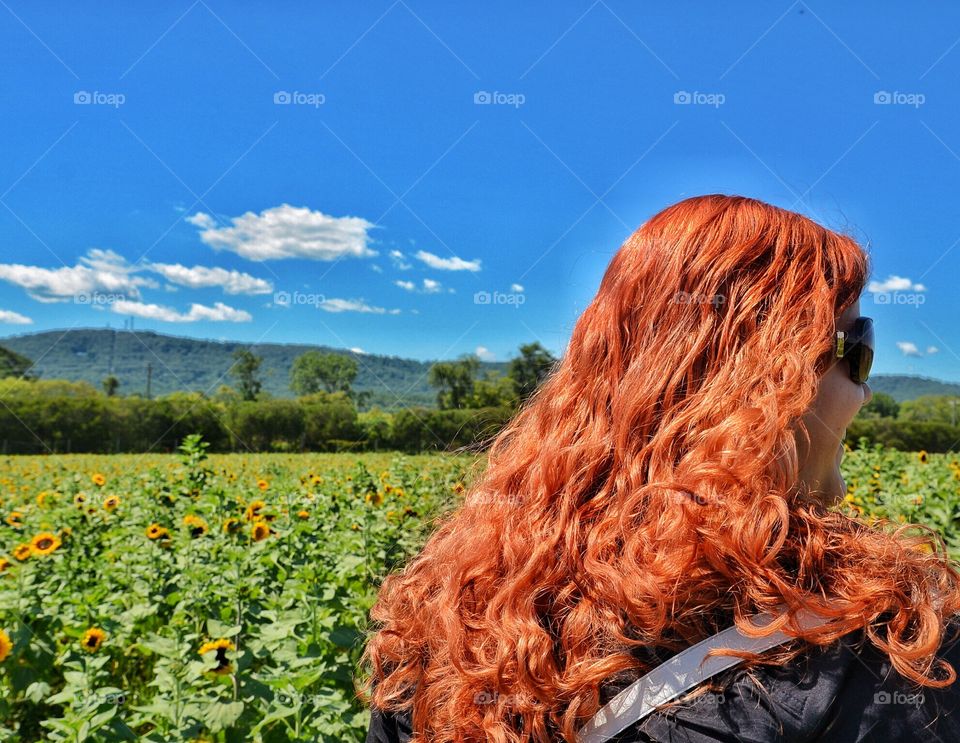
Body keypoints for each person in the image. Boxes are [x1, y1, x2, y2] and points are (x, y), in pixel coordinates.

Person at [359, 195, 960, 742]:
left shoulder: (447, 622)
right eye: (858, 352)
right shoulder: (883, 650)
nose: (865, 394)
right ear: (775, 385)